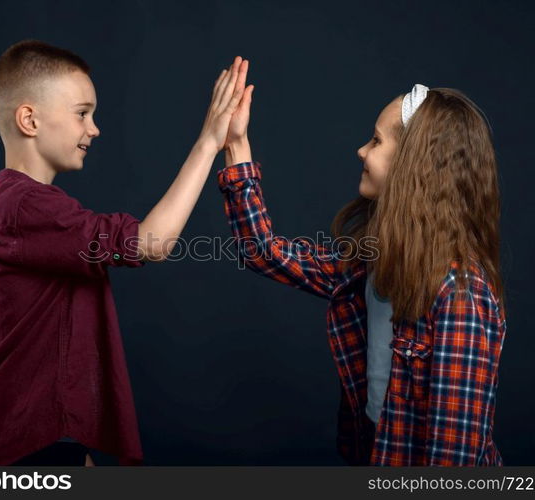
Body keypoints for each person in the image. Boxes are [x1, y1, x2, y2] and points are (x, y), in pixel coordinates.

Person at [0, 39, 251, 466]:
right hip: (27, 440)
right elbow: (151, 242)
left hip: (41, 437)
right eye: (82, 113)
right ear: (29, 120)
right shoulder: (24, 206)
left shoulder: (21, 205)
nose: (94, 128)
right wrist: (208, 142)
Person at [217, 81, 507, 466]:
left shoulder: (459, 295)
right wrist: (236, 144)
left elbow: (452, 459)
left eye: (375, 141)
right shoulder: (373, 262)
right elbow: (264, 252)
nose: (361, 151)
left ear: (413, 165)